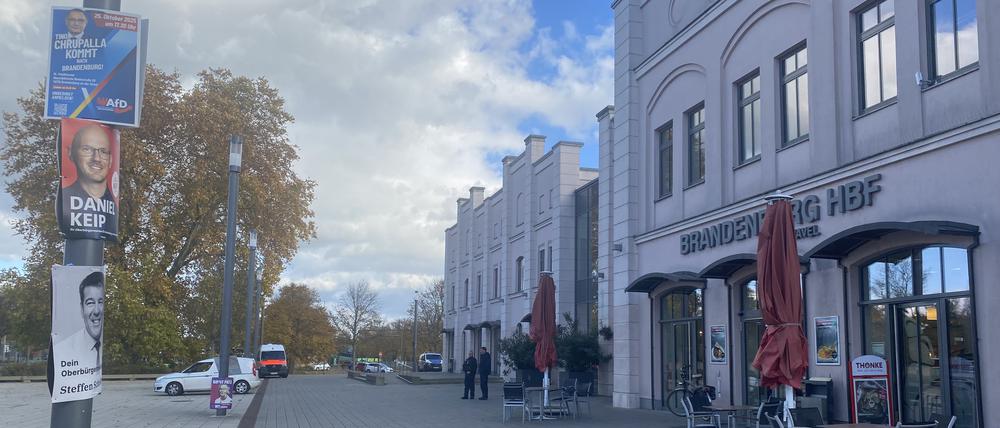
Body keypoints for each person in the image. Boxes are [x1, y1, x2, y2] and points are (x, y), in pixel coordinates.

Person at [61, 124, 117, 237]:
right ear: (71, 154)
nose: (96, 158)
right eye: (87, 149)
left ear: (111, 160)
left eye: (103, 151)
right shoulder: (63, 199)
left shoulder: (115, 209)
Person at [55, 271, 104, 368]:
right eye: (90, 303)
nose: (97, 311)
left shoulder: (105, 345)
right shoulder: (63, 349)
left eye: (100, 302)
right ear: (81, 309)